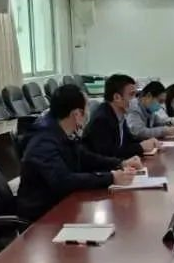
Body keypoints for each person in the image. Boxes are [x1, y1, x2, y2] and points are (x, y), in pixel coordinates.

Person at [18, 84, 141, 222]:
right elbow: (63, 180)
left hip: (61, 204)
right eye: (86, 109)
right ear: (76, 114)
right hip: (42, 217)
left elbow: (85, 157)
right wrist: (111, 178)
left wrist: (120, 164)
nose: (88, 113)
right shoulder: (43, 142)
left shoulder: (60, 132)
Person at [83, 74, 159, 159]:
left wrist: (148, 142)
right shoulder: (101, 120)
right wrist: (140, 147)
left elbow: (129, 141)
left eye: (136, 95)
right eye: (131, 94)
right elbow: (110, 153)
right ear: (117, 97)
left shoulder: (120, 115)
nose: (135, 99)